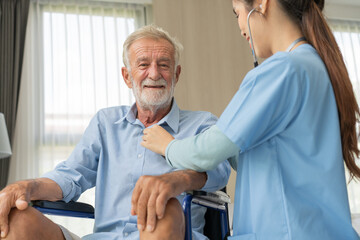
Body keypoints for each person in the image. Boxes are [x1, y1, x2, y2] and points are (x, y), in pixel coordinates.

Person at [140, 0, 360, 239]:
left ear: (262, 4)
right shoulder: (314, 65)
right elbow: (272, 157)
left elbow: (207, 152)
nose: (241, 27)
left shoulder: (281, 70)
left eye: (237, 13)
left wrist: (167, 145)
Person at [0, 25, 230, 240]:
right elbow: (71, 176)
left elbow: (220, 171)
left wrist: (176, 180)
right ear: (127, 76)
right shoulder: (106, 123)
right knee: (16, 219)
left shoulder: (202, 123)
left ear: (176, 74)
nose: (154, 73)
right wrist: (26, 187)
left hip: (172, 233)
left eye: (164, 64)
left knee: (163, 205)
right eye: (143, 65)